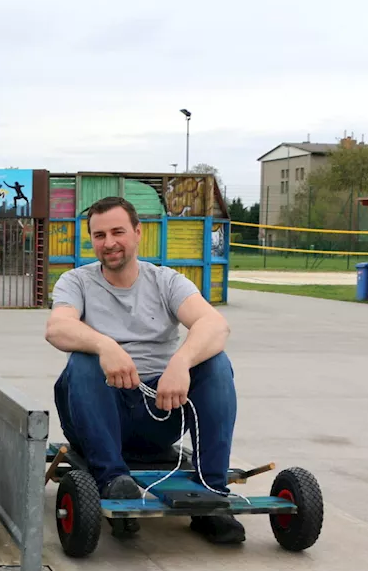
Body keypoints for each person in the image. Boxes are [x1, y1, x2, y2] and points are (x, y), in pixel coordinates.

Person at [45, 196, 243, 544]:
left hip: (161, 410)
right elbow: (57, 328)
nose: (109, 243)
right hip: (98, 413)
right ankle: (113, 481)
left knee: (216, 363)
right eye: (99, 235)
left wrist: (180, 362)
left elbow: (215, 325)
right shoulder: (76, 282)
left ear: (138, 233)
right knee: (83, 360)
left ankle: (211, 493)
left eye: (118, 232)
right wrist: (105, 346)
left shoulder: (166, 281)